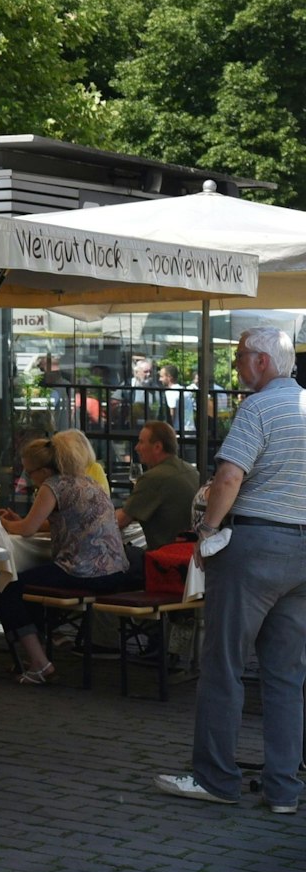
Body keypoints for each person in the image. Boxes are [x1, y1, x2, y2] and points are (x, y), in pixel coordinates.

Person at [155, 327, 306, 813]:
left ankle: (216, 777)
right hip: (302, 553)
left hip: (255, 545)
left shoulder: (258, 408)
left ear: (262, 361)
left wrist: (207, 530)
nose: (236, 365)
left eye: (241, 357)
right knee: (285, 675)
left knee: (224, 664)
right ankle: (283, 790)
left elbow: (229, 477)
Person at [0, 431, 130, 685]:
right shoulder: (87, 481)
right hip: (115, 571)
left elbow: (27, 530)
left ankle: (40, 663)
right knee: (28, 585)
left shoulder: (53, 485)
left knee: (8, 586)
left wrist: (2, 522)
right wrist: (21, 522)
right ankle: (36, 654)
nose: (29, 479)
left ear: (45, 471)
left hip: (83, 571)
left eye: (30, 473)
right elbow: (63, 521)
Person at [117, 420, 199, 550]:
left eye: (141, 442)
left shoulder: (153, 478)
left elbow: (120, 521)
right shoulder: (191, 470)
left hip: (164, 555)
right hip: (191, 551)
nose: (136, 447)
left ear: (157, 447)